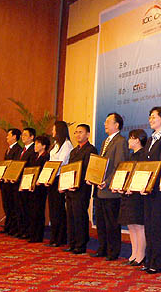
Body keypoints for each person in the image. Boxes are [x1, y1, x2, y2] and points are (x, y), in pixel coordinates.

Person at [89, 112, 129, 261]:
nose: (105, 124)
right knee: (101, 221)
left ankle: (113, 251)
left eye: (108, 122)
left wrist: (108, 181)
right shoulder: (106, 141)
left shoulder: (121, 141)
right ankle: (102, 248)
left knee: (112, 222)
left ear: (116, 125)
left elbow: (120, 165)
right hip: (100, 189)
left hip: (111, 190)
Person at [141, 106, 161, 274]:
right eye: (150, 116)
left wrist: (152, 182)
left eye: (154, 116)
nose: (151, 119)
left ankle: (157, 262)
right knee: (149, 225)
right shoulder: (150, 139)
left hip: (160, 189)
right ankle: (149, 259)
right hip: (148, 189)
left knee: (158, 225)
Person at [64, 124, 97, 254]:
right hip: (70, 189)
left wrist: (76, 183)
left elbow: (89, 170)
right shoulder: (73, 151)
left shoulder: (91, 150)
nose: (78, 135)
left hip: (82, 189)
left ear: (87, 134)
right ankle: (72, 243)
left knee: (80, 216)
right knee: (70, 216)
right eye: (76, 132)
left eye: (81, 132)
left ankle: (81, 244)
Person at [118, 129, 148, 265]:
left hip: (137, 196)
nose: (128, 141)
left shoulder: (143, 156)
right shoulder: (131, 156)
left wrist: (133, 187)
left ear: (137, 140)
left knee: (139, 225)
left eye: (131, 138)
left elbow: (142, 176)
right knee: (131, 225)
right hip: (128, 195)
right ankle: (134, 253)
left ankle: (141, 255)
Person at [46, 121, 73, 247]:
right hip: (52, 178)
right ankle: (54, 236)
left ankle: (60, 237)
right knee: (53, 209)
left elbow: (61, 162)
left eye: (54, 129)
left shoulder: (67, 145)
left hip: (60, 178)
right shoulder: (56, 144)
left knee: (59, 209)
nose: (52, 131)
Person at [0, 128, 22, 235]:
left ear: (14, 137)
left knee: (13, 206)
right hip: (5, 182)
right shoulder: (8, 149)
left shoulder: (18, 149)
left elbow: (15, 166)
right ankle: (8, 227)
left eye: (9, 135)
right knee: (6, 205)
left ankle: (13, 228)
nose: (7, 137)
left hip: (12, 183)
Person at [15, 127, 37, 239]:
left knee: (27, 208)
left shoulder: (34, 150)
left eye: (25, 135)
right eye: (22, 135)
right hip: (19, 182)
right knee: (20, 207)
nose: (22, 137)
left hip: (27, 182)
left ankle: (27, 231)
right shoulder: (21, 150)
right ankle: (21, 229)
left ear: (32, 137)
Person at [29, 134, 50, 243]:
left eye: (38, 144)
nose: (35, 146)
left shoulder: (46, 157)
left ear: (44, 146)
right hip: (32, 186)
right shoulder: (34, 156)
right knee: (32, 210)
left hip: (41, 187)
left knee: (38, 210)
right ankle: (32, 233)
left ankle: (38, 235)